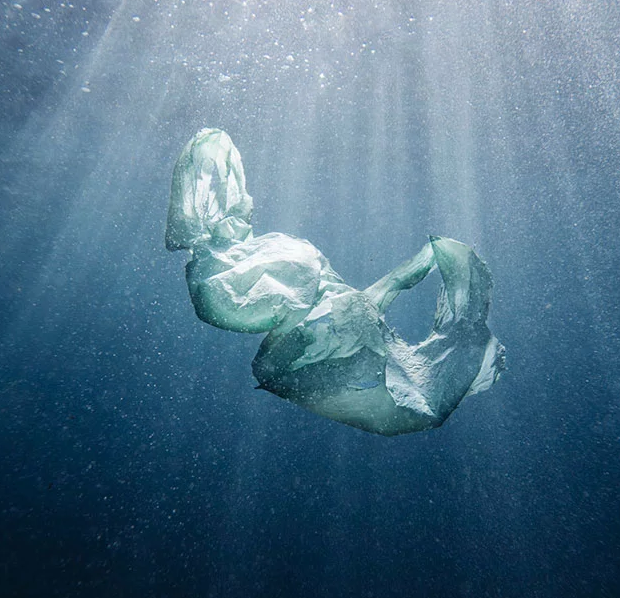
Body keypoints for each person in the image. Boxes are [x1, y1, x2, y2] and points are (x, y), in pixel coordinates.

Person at [166, 129, 505, 436]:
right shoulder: (267, 278)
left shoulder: (268, 277)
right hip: (315, 345)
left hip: (314, 345)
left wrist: (419, 266)